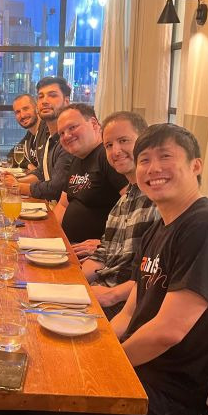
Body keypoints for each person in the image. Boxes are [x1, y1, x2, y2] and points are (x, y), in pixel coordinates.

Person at [110, 123, 208, 415]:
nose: (153, 168)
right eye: (144, 160)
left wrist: (108, 364)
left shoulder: (207, 228)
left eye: (165, 157)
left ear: (196, 165)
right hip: (142, 370)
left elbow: (168, 332)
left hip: (170, 393)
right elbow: (130, 312)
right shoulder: (158, 227)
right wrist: (98, 350)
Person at [77, 111, 159, 317]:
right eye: (109, 145)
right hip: (102, 292)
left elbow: (156, 279)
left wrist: (111, 295)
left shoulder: (159, 202)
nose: (116, 151)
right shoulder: (123, 201)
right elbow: (103, 253)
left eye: (124, 141)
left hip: (125, 306)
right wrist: (75, 282)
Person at [52, 104, 127, 243]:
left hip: (96, 254)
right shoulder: (77, 159)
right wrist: (50, 236)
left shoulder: (107, 156)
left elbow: (132, 210)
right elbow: (63, 205)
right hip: (68, 246)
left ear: (93, 124)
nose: (66, 136)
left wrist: (105, 245)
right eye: (61, 133)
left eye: (72, 127)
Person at [4, 76, 74, 201]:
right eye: (41, 96)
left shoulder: (69, 140)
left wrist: (17, 186)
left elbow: (55, 189)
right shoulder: (50, 139)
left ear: (67, 102)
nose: (45, 101)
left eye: (52, 95)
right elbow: (41, 172)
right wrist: (14, 182)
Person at [6, 93, 48, 170]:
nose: (22, 115)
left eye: (25, 109)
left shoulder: (47, 131)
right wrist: (29, 165)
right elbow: (11, 155)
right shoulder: (30, 134)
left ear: (37, 108)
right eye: (18, 112)